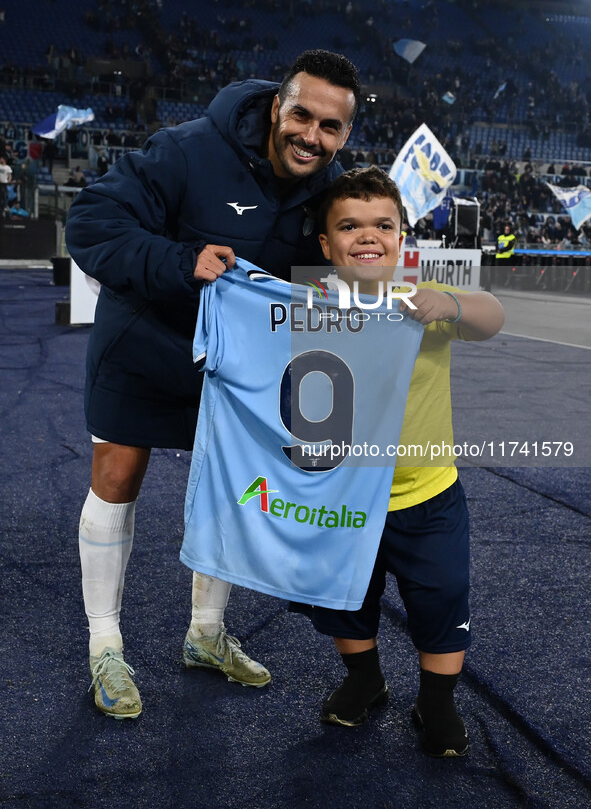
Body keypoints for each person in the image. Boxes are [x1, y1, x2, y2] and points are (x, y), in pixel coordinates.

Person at [65, 49, 362, 719]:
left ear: (345, 134)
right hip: (143, 342)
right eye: (301, 115)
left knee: (232, 491)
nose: (311, 136)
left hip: (235, 364)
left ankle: (204, 634)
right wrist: (178, 259)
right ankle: (104, 645)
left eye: (330, 127)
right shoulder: (187, 149)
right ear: (277, 105)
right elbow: (89, 223)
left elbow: (337, 271)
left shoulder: (329, 187)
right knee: (115, 480)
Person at [291, 166, 504, 757]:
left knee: (441, 595)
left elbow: (493, 316)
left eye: (383, 224)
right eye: (350, 225)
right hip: (338, 495)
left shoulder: (423, 302)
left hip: (427, 495)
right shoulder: (304, 305)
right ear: (326, 244)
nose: (368, 235)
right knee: (342, 598)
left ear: (402, 237)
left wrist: (452, 304)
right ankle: (366, 679)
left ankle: (436, 702)